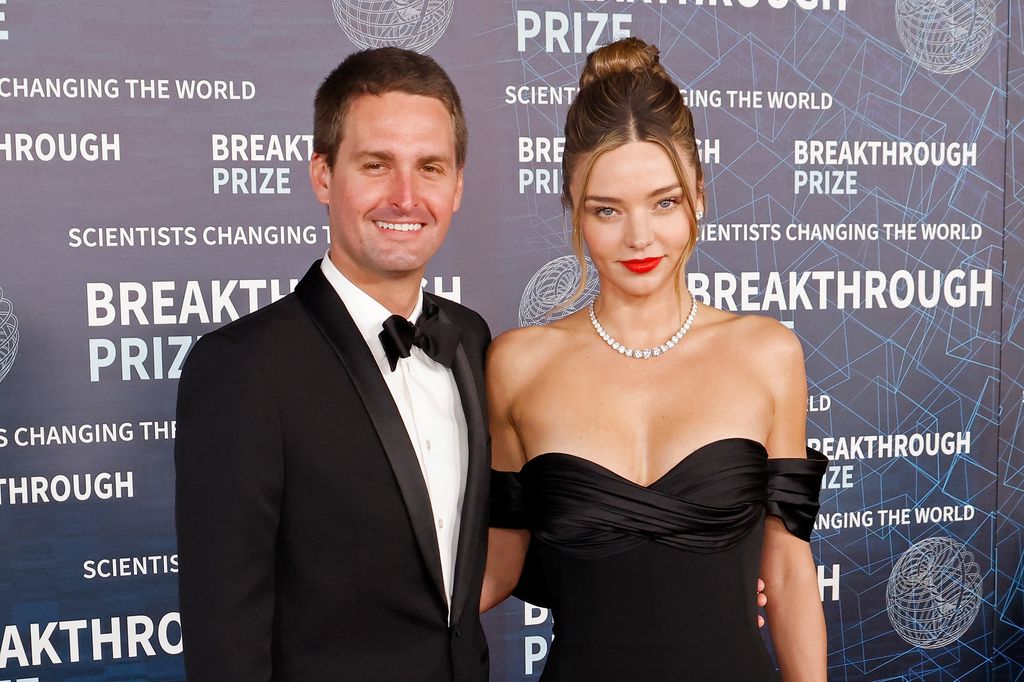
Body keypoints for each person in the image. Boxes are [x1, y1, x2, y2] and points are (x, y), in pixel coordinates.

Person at [483, 38, 828, 680]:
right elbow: (499, 561)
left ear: (699, 194)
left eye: (664, 202)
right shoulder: (517, 364)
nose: (639, 237)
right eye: (606, 210)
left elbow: (786, 566)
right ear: (573, 209)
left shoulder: (767, 354)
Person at [174, 47, 491, 681]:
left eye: (430, 168)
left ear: (457, 186)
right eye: (376, 165)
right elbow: (224, 639)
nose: (406, 197)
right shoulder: (242, 369)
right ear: (322, 175)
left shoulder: (471, 339)